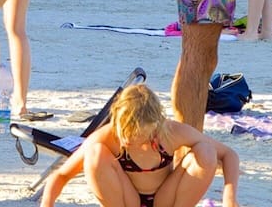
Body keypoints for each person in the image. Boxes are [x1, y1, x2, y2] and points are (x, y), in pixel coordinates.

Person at [36, 84, 242, 207]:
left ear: (154, 127)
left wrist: (230, 196)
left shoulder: (170, 132)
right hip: (127, 200)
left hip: (166, 199)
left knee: (205, 151)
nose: (126, 139)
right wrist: (47, 203)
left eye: (134, 135)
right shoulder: (109, 135)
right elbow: (61, 175)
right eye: (122, 131)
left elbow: (228, 154)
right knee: (94, 153)